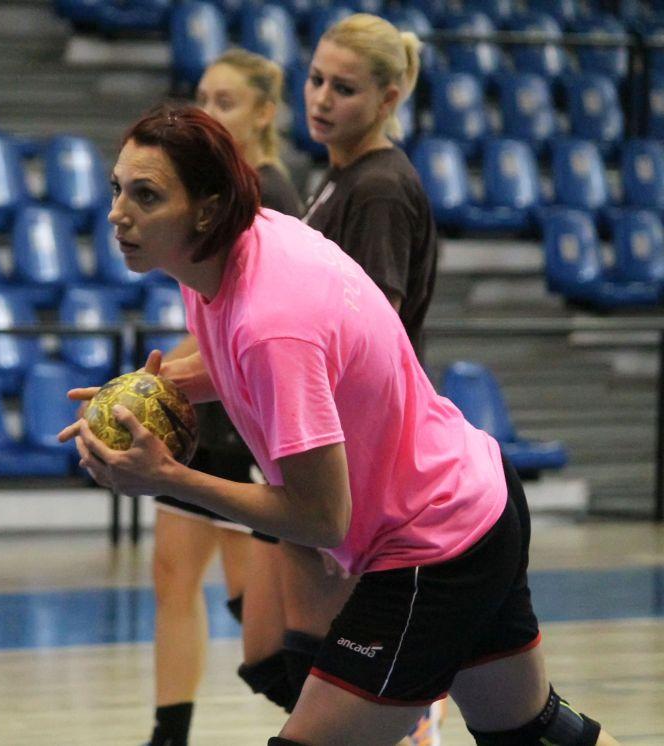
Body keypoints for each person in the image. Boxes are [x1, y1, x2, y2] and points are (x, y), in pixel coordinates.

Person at [58, 104, 619, 746]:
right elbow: (258, 359)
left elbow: (321, 517)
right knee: (536, 734)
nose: (117, 213)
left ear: (206, 210)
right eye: (117, 188)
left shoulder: (272, 322)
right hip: (478, 500)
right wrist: (162, 388)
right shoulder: (240, 245)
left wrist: (170, 478)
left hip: (432, 544)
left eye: (146, 196)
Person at [273, 14, 443, 745]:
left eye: (343, 88)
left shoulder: (378, 190)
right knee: (303, 652)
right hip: (336, 438)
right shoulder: (340, 177)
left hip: (360, 446)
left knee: (341, 660)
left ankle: (417, 719)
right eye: (315, 80)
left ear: (388, 97)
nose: (320, 98)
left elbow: (371, 332)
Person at [143, 48, 304, 746]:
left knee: (255, 605)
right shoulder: (210, 188)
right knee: (172, 573)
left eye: (226, 101)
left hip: (245, 414)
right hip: (205, 412)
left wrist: (150, 380)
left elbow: (242, 327)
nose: (208, 112)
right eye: (203, 98)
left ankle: (376, 707)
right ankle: (168, 734)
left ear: (265, 113)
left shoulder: (271, 193)